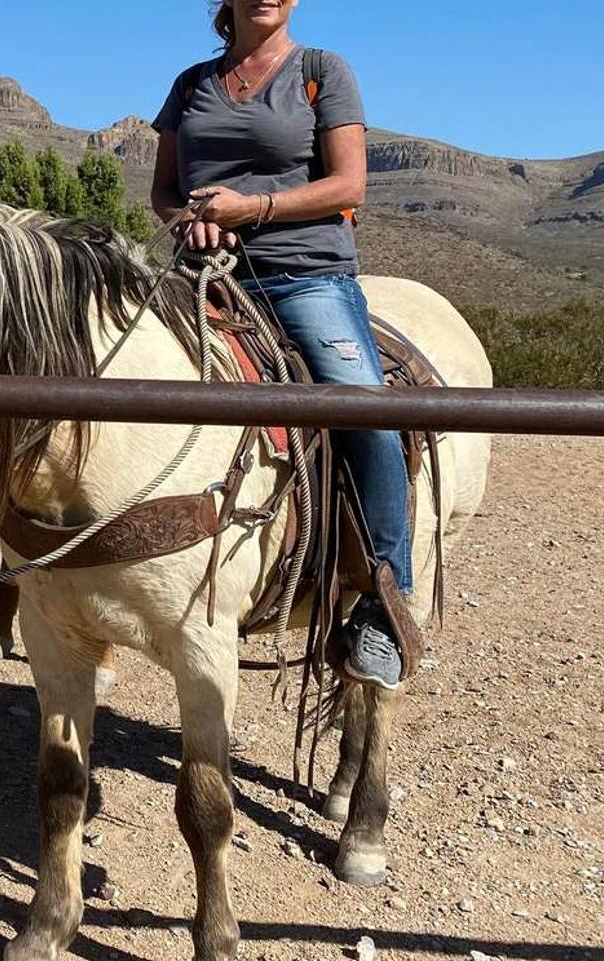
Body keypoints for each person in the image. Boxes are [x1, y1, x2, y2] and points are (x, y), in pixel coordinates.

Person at [151, 0, 412, 687]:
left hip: (304, 274)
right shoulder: (189, 85)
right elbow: (163, 190)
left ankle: (386, 604)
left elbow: (349, 185)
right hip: (204, 277)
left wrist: (251, 208)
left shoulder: (323, 71)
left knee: (366, 407)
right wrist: (190, 221)